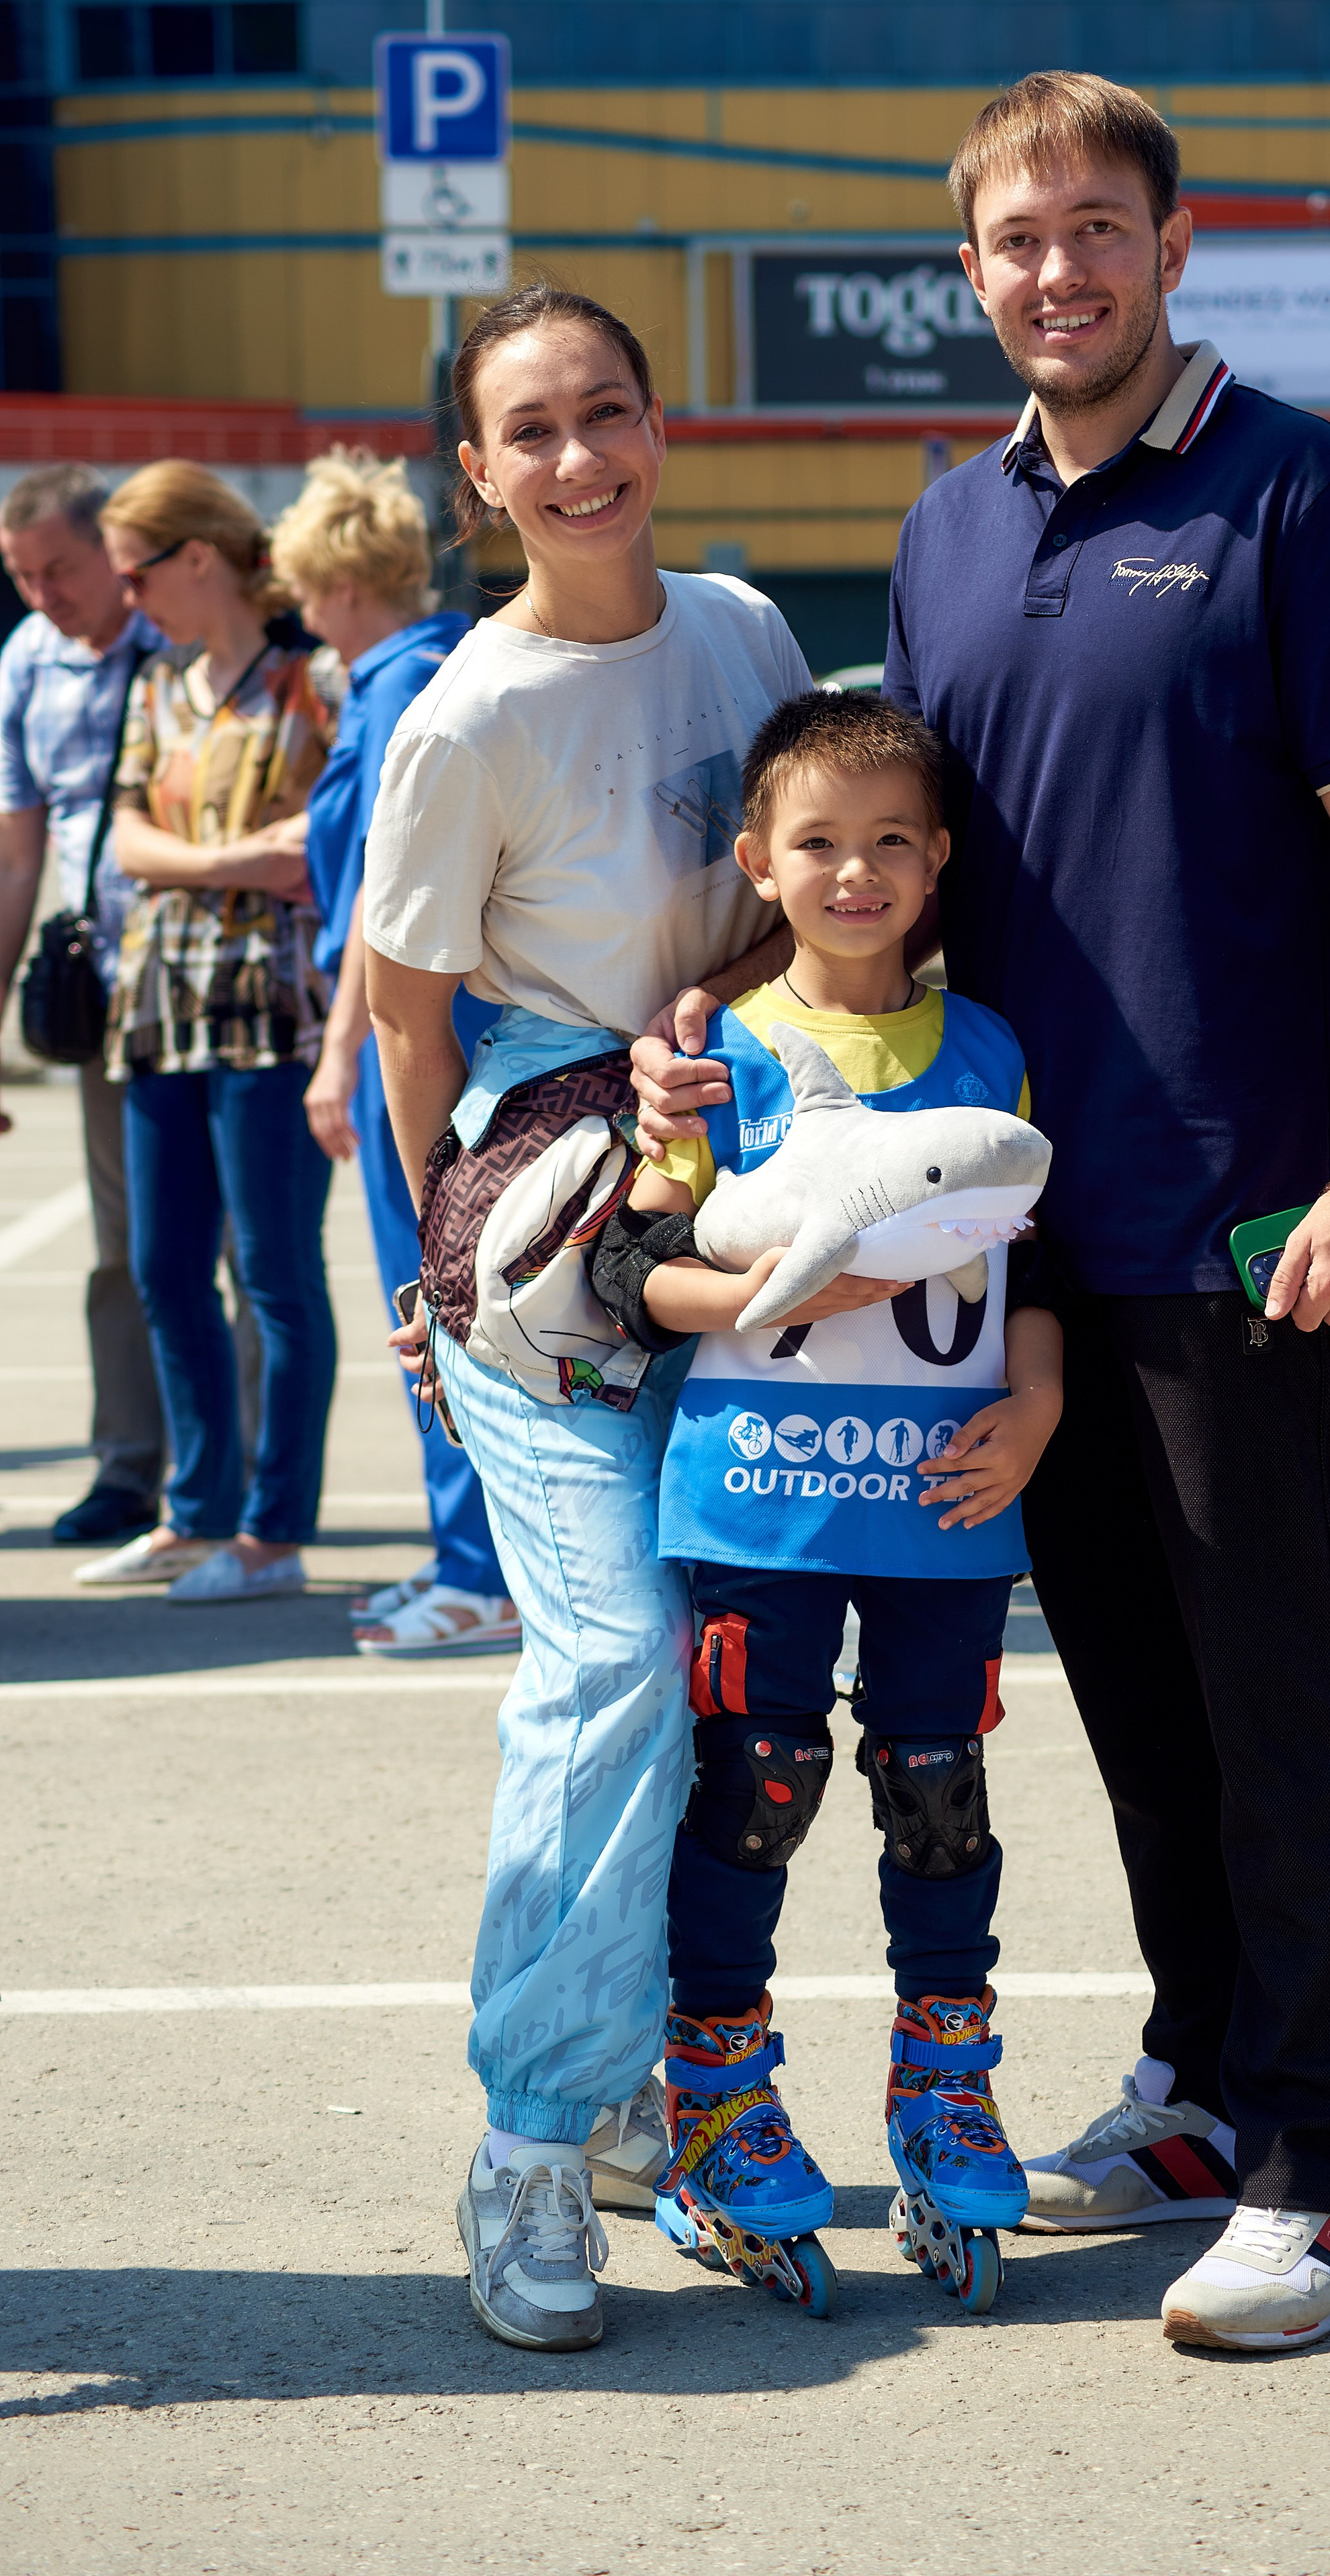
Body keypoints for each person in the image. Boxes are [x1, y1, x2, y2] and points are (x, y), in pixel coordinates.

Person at [633, 72, 1330, 2352]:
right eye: (1018, 238)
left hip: (1252, 1217)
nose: (1060, 271)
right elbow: (905, 873)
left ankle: (1328, 2169)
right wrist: (713, 1035)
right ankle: (1201, 2081)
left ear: (1174, 245)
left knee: (1289, 1706)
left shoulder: (1302, 490)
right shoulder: (944, 532)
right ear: (970, 269)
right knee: (1134, 1701)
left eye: (1101, 226)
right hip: (1007, 1242)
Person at [360, 283, 815, 2351]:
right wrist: (427, 1266)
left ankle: (632, 2073)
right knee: (616, 1653)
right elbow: (405, 1020)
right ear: (476, 473)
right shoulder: (466, 715)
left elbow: (785, 892)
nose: (578, 459)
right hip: (541, 1240)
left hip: (725, 1187)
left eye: (606, 414)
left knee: (720, 1664)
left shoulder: (739, 626)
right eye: (529, 432)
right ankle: (535, 2140)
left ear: (659, 423)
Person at [594, 690, 1061, 2303]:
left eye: (885, 843)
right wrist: (752, 1299)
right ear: (757, 862)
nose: (851, 872)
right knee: (758, 1782)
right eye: (816, 844)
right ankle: (715, 2090)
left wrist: (1041, 1400)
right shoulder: (716, 1054)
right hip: (760, 1496)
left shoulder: (994, 1043)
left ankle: (946, 2069)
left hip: (937, 1493)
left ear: (935, 863)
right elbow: (633, 1261)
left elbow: (1034, 1253)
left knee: (938, 1791)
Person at [75, 460, 341, 1603]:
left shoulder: (311, 681)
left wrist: (212, 864)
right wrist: (235, 862)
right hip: (158, 1014)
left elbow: (318, 853)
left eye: (137, 572)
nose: (125, 598)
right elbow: (127, 845)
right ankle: (197, 1513)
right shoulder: (155, 688)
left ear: (197, 558)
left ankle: (272, 1534)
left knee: (274, 1279)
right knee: (165, 1271)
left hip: (271, 1019)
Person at [270, 447, 517, 1657]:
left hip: (410, 1031)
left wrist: (333, 1058)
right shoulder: (394, 674)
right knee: (440, 1286)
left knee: (435, 1288)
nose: (298, 604)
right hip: (413, 1016)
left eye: (303, 583)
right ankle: (460, 1553)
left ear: (334, 576)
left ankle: (481, 1567)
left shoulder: (398, 684)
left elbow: (386, 895)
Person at [0, 463, 167, 1544]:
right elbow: (16, 858)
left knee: (248, 1255)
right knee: (127, 1248)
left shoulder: (183, 641)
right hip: (99, 992)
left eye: (59, 568)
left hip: (217, 993)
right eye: (22, 578)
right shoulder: (27, 662)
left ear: (112, 550)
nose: (44, 596)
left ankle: (234, 1483)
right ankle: (128, 1468)